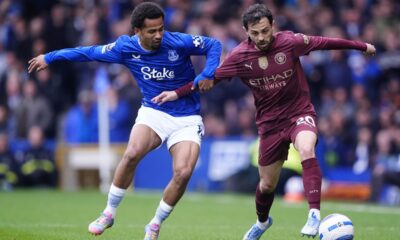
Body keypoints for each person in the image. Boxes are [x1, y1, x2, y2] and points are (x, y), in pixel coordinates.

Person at [152, 4, 376, 239]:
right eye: (255, 33)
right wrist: (176, 93)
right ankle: (262, 222)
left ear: (272, 26)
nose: (261, 37)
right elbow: (212, 78)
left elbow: (326, 42)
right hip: (269, 126)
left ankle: (313, 215)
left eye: (265, 31)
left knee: (307, 148)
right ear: (245, 31)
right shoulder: (239, 56)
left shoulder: (290, 42)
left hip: (299, 113)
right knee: (266, 185)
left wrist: (361, 46)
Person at [28, 2, 221, 240]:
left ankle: (155, 223)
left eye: (161, 28)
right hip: (154, 111)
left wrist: (207, 73)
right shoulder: (124, 48)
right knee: (131, 154)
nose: (159, 35)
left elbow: (214, 44)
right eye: (152, 31)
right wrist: (50, 57)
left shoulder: (177, 41)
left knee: (183, 173)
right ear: (137, 31)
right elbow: (87, 52)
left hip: (187, 117)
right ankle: (109, 213)